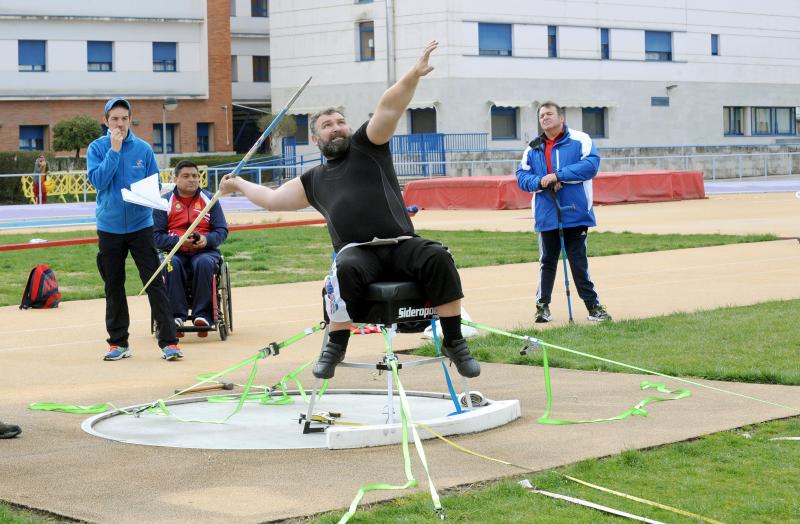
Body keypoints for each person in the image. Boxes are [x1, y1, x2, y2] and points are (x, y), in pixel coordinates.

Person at [219, 40, 480, 380]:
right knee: (341, 273)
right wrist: (237, 184)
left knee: (439, 257)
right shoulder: (312, 180)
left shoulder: (368, 145)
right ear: (316, 139)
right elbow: (271, 200)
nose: (336, 127)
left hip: (402, 244)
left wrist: (413, 75)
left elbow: (389, 107)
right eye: (327, 125)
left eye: (340, 121)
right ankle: (335, 346)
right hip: (358, 254)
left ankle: (455, 342)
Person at [87, 97, 183, 361]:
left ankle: (169, 342)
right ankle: (118, 343)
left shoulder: (143, 149)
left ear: (130, 120)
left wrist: (152, 194)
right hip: (109, 227)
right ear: (106, 121)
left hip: (142, 226)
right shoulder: (97, 148)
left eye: (124, 118)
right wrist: (114, 151)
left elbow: (154, 184)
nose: (119, 123)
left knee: (154, 283)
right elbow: (98, 181)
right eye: (114, 118)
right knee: (114, 285)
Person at [516, 101, 612, 323]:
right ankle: (542, 306)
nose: (545, 118)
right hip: (546, 213)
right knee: (547, 260)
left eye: (549, 114)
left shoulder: (581, 140)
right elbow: (521, 177)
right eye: (541, 116)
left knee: (578, 261)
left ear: (561, 118)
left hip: (576, 212)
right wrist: (541, 181)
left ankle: (593, 306)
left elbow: (591, 165)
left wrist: (559, 175)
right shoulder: (532, 148)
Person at [153, 160, 229, 337]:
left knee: (203, 263)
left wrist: (206, 239)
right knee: (170, 263)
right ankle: (176, 316)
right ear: (176, 179)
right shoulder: (164, 202)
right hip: (174, 251)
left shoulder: (210, 200)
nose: (192, 180)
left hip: (204, 251)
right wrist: (179, 241)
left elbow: (221, 230)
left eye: (195, 176)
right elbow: (156, 236)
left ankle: (202, 315)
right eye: (186, 176)